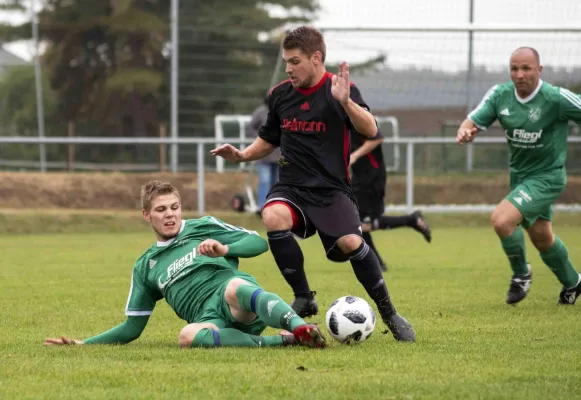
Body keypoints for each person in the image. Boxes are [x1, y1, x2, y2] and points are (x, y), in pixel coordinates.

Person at [211, 26, 415, 342]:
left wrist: (346, 103)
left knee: (351, 244)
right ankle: (303, 296)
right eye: (286, 62)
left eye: (295, 61)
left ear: (316, 57)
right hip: (292, 186)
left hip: (332, 190)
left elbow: (371, 127)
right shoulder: (280, 94)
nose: (289, 68)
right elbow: (268, 139)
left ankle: (389, 312)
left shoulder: (341, 89)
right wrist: (241, 156)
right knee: (272, 215)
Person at [43, 180, 326, 348]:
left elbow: (259, 243)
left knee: (235, 286)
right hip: (210, 320)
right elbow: (132, 328)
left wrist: (224, 248)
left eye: (174, 208)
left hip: (238, 304)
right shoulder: (146, 266)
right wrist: (84, 344)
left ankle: (301, 328)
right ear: (146, 215)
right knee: (187, 337)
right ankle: (286, 341)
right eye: (161, 210)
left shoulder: (203, 226)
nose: (170, 215)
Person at [456, 47, 581, 305]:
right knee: (541, 237)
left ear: (539, 70)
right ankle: (573, 283)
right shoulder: (500, 95)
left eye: (526, 68)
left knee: (502, 221)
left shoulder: (556, 98)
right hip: (520, 178)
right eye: (514, 68)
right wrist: (465, 132)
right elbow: (471, 122)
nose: (520, 74)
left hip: (548, 177)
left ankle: (521, 274)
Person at [349, 131, 432, 272]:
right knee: (357, 224)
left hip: (371, 178)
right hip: (359, 178)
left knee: (360, 225)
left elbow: (377, 138)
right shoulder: (340, 122)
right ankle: (377, 264)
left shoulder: (359, 114)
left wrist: (355, 155)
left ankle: (377, 264)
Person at [245, 94, 281, 212]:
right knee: (265, 180)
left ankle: (274, 205)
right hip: (263, 155)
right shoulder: (260, 112)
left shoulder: (281, 111)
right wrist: (261, 139)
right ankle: (262, 207)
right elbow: (250, 128)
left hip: (278, 154)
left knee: (276, 182)